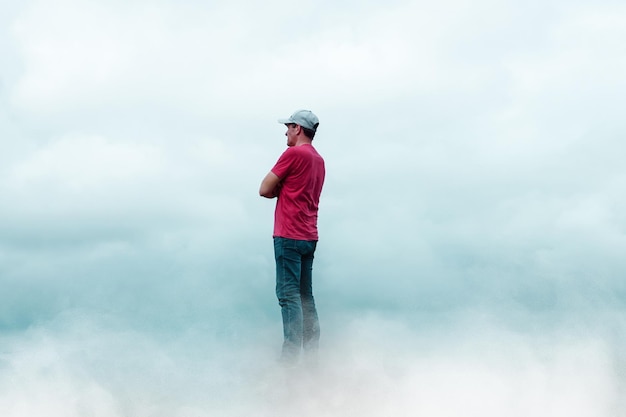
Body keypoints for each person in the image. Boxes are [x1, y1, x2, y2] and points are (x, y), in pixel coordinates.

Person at [259, 109, 325, 366]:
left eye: (288, 127)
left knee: (288, 296)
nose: (285, 132)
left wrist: (280, 188)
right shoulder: (319, 160)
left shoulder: (293, 153)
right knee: (305, 296)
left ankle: (289, 362)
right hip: (309, 235)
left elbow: (264, 188)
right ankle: (311, 357)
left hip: (288, 235)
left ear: (298, 128)